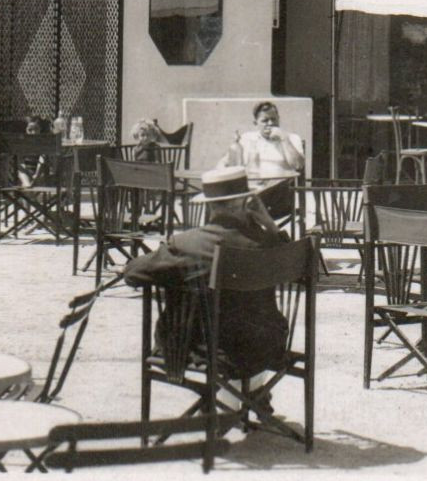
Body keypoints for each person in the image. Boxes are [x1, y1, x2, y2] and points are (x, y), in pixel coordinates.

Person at [122, 166, 291, 377]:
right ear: (249, 203)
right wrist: (269, 224)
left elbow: (132, 274)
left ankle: (219, 405)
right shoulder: (268, 243)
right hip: (266, 349)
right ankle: (253, 399)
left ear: (209, 204)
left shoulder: (188, 244)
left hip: (210, 352)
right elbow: (293, 258)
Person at [223, 101, 305, 223]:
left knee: (249, 204)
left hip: (280, 193)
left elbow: (298, 166)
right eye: (265, 120)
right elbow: (227, 163)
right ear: (255, 123)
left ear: (279, 119)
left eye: (274, 119)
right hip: (253, 189)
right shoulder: (247, 138)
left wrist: (284, 139)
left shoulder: (292, 138)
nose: (271, 124)